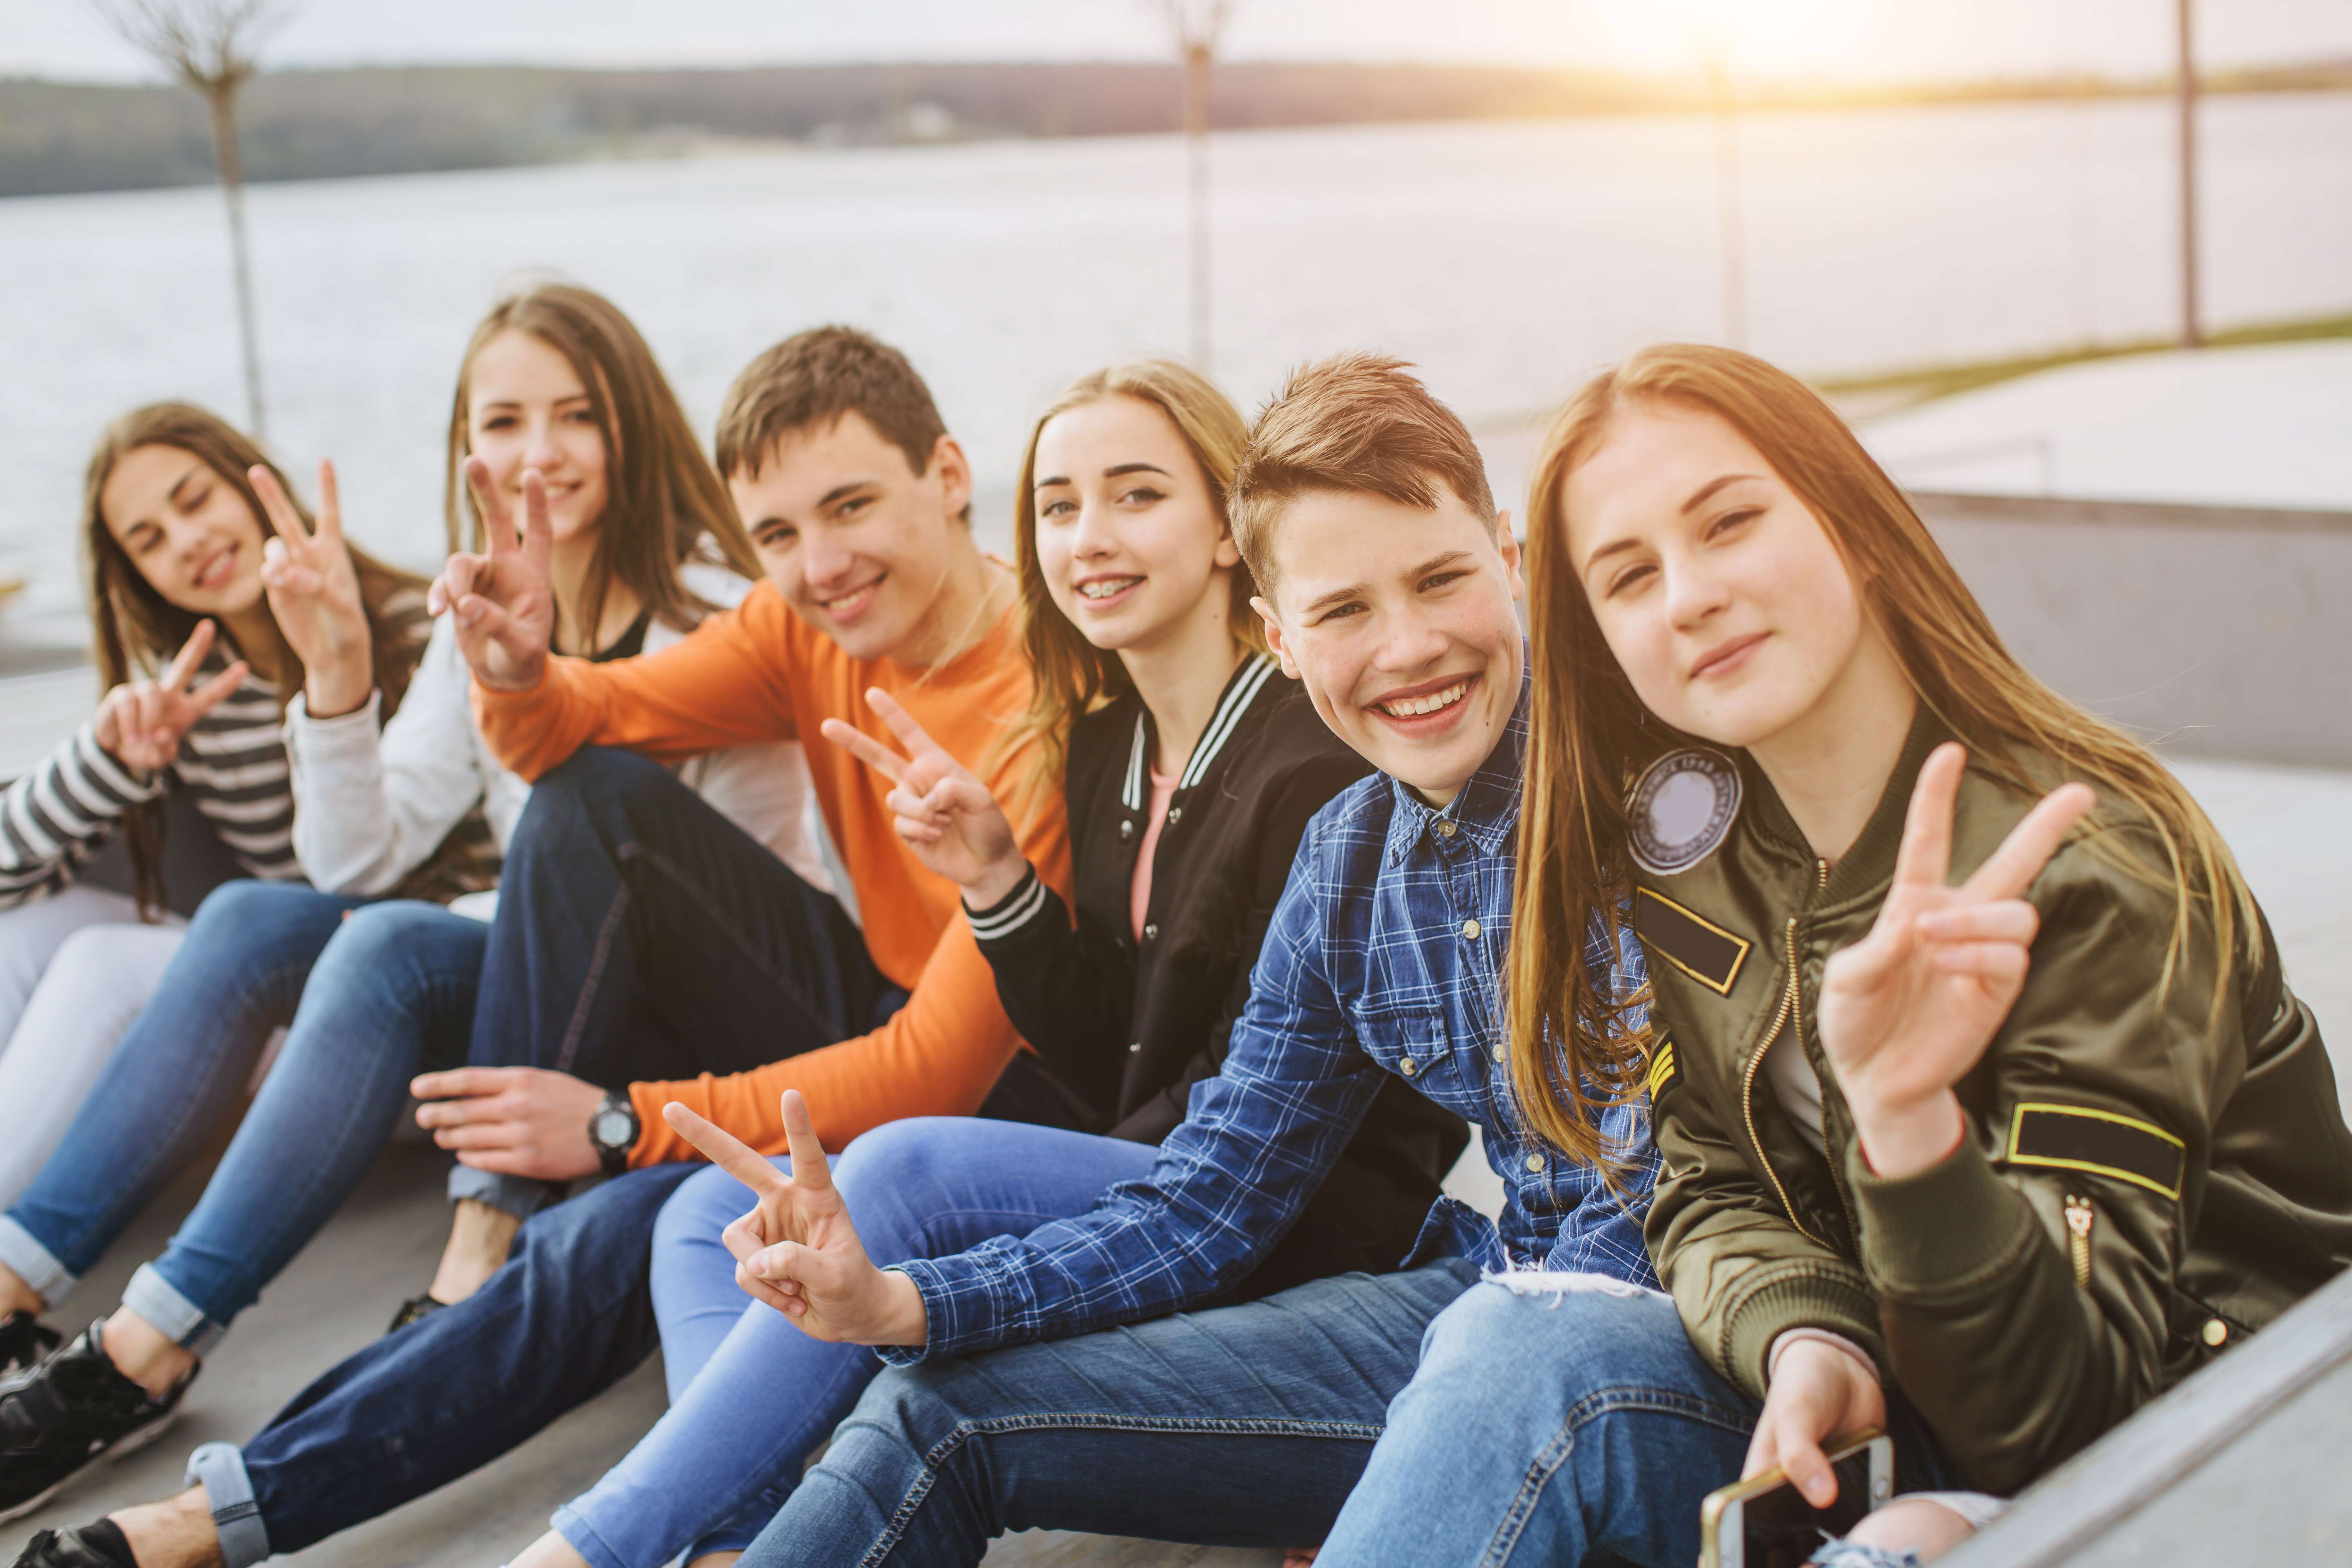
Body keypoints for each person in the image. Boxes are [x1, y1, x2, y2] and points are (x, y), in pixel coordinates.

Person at [9, 327, 1075, 1568]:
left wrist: (625, 1122)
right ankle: (220, 1513)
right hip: (855, 1008)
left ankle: (251, 1488)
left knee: (620, 1226)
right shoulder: (805, 630)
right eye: (778, 535)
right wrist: (519, 665)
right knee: (588, 809)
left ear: (950, 474)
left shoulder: (1049, 701)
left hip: (1003, 1091)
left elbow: (938, 1068)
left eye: (851, 507)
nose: (820, 565)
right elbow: (580, 727)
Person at [629, 352, 1670, 1568]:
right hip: (1480, 1289)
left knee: (905, 1170)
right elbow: (1209, 1191)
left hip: (1642, 1342)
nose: (1407, 648)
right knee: (935, 1406)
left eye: (1442, 579)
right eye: (1341, 612)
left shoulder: (1647, 785)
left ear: (1509, 554)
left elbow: (1673, 1211)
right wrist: (902, 1307)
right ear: (1280, 636)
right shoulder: (1345, 858)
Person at [1504, 341, 2352, 1561]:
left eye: (1730, 522)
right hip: (1889, 1406)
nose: (1687, 594)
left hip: (2209, 1446)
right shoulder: (1699, 865)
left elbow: (2069, 1416)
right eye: (1629, 577)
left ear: (1852, 525)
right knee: (1518, 1352)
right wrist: (1804, 1334)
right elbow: (1703, 1174)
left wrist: (1907, 1126)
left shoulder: (2088, 870)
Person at [0, 402, 428, 1365]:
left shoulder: (407, 628)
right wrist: (109, 757)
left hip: (383, 1025)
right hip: (274, 981)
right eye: (149, 539)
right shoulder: (199, 690)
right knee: (39, 927)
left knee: (111, 960)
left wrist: (335, 672)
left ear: (246, 480)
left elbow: (381, 882)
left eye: (195, 500)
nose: (189, 543)